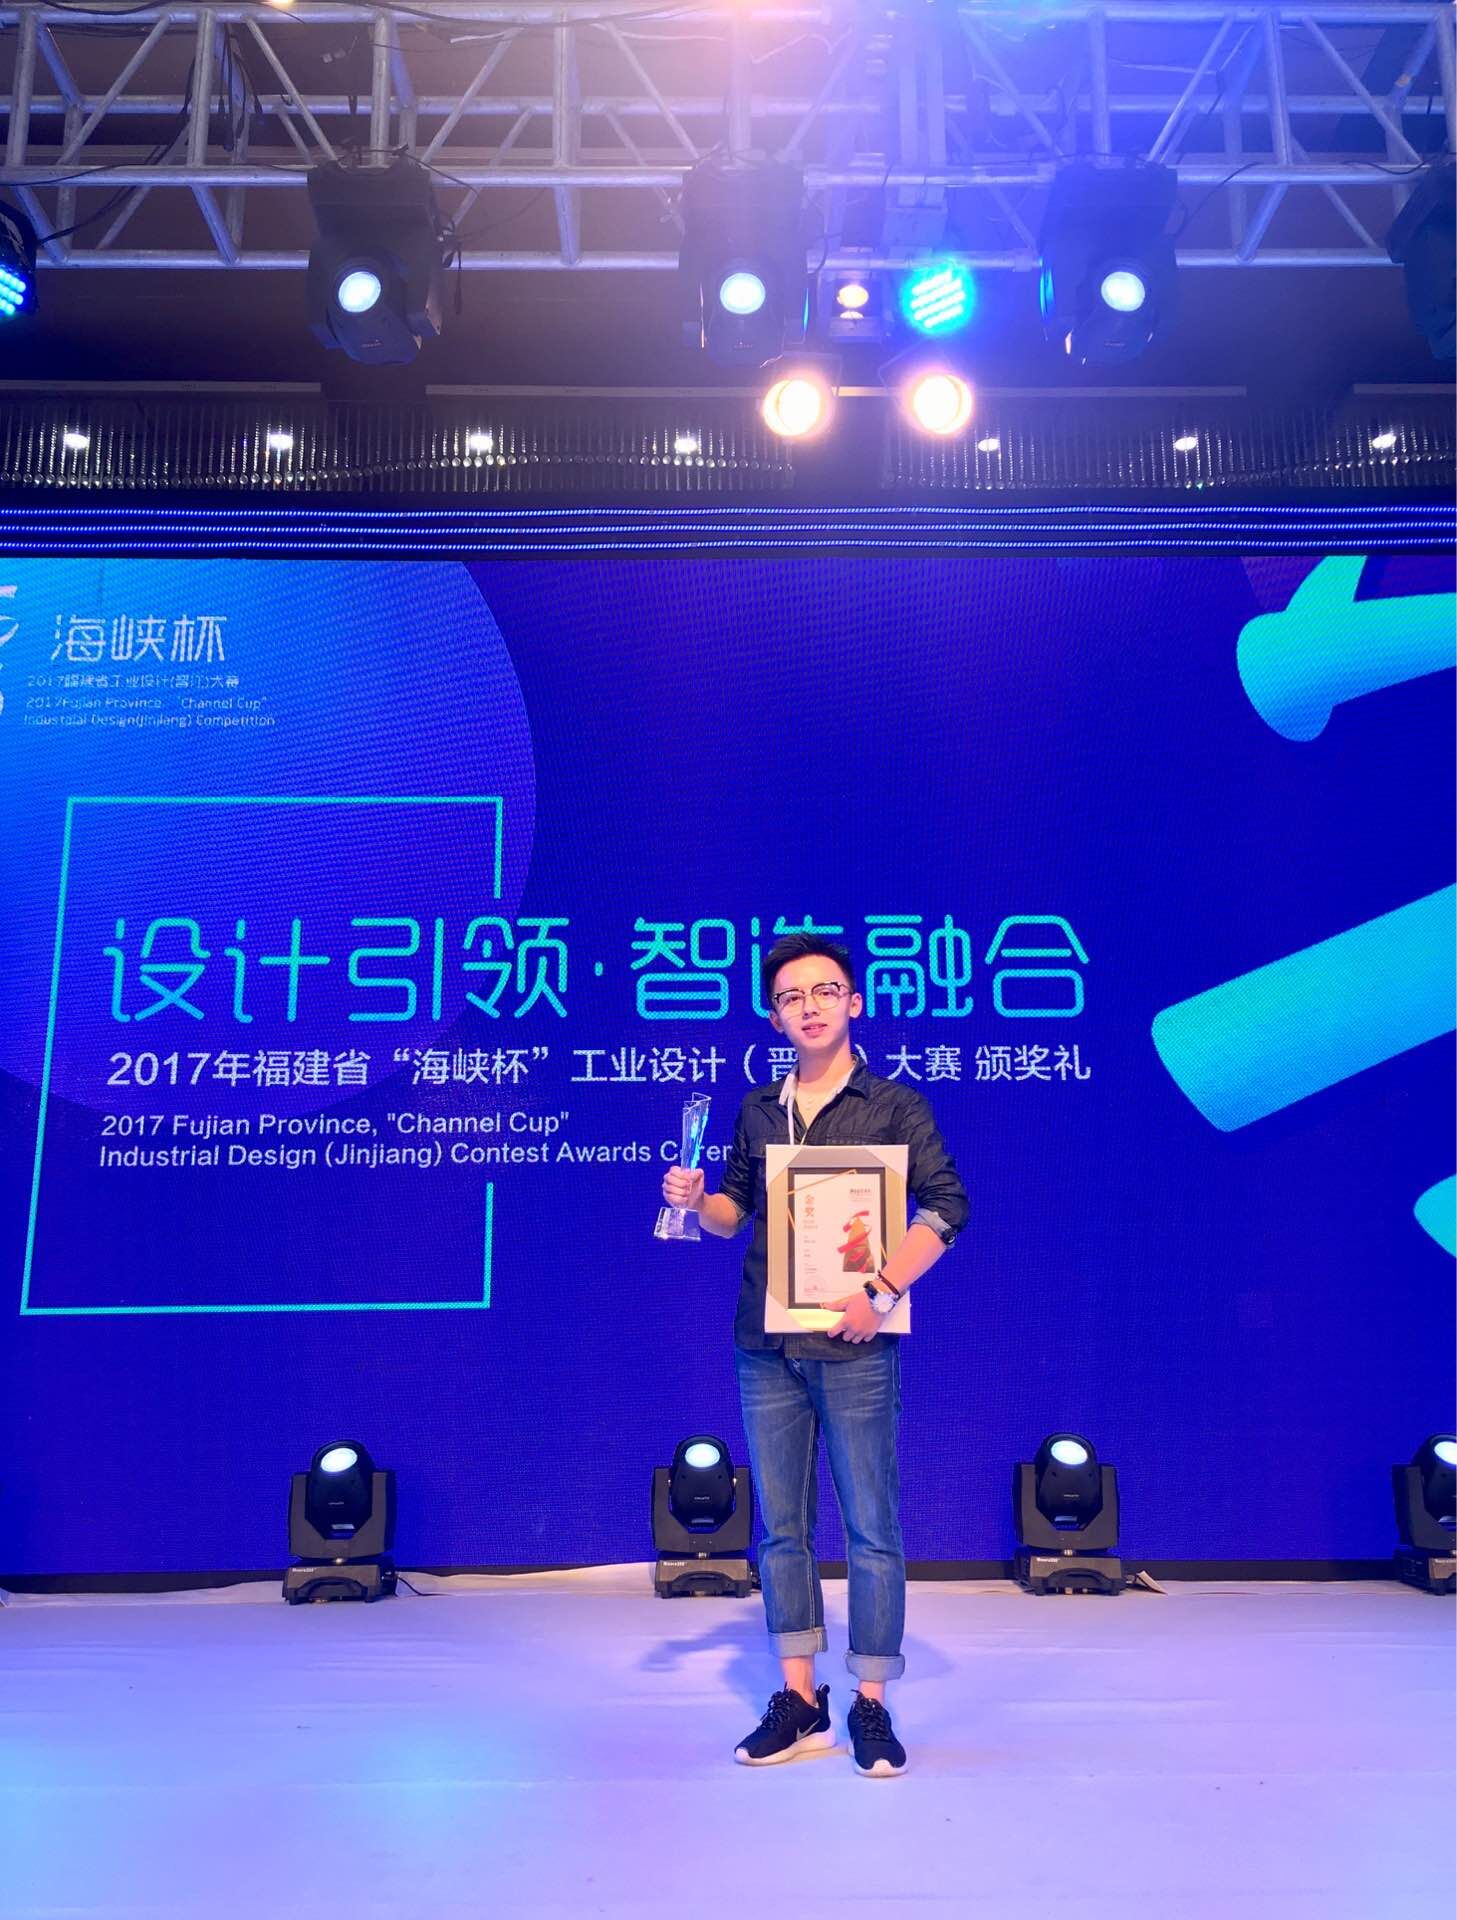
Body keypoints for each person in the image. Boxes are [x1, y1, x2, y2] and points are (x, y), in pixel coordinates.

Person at [661, 932, 968, 1777]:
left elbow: (947, 1207)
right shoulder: (759, 1109)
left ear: (853, 1002)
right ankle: (800, 1702)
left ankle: (870, 1701)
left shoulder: (893, 1106)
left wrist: (881, 1293)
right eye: (791, 997)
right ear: (774, 1016)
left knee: (871, 1528)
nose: (809, 1006)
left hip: (856, 1341)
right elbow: (733, 1216)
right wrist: (698, 1200)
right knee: (781, 1531)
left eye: (824, 991)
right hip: (766, 1343)